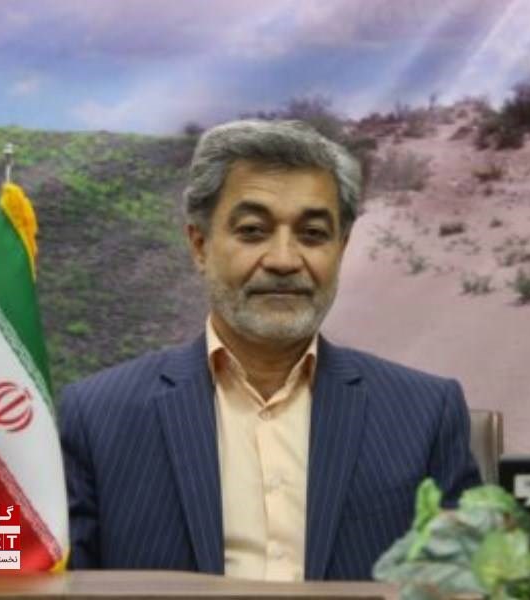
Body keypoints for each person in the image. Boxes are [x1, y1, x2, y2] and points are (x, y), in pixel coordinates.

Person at [59, 119, 481, 581]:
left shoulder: (424, 414)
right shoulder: (97, 417)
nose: (283, 260)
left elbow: (471, 581)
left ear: (341, 249)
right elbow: (20, 571)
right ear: (199, 246)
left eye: (313, 234)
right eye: (253, 231)